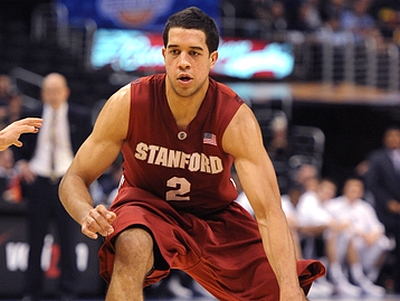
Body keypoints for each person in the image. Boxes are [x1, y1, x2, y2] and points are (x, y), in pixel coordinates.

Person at [59, 7, 325, 301]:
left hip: (215, 218)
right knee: (132, 244)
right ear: (163, 56)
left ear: (212, 59)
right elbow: (74, 177)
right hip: (148, 207)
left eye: (194, 53)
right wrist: (85, 212)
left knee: (284, 290)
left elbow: (269, 211)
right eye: (175, 51)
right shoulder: (129, 102)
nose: (183, 62)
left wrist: (288, 288)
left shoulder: (234, 118)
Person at [13, 73, 92, 301]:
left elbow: (92, 149)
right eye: (49, 90)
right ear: (43, 93)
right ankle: (31, 292)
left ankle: (68, 293)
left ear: (66, 92)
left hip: (69, 183)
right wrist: (21, 164)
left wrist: (84, 174)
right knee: (35, 241)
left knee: (69, 241)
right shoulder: (33, 115)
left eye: (57, 90)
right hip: (38, 182)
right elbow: (19, 145)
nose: (53, 95)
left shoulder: (81, 116)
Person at [324, 177, 389, 297]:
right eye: (351, 189)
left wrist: (372, 236)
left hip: (362, 247)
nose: (354, 192)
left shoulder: (365, 207)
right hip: (339, 246)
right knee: (348, 236)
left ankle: (368, 280)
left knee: (384, 242)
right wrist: (358, 233)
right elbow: (329, 224)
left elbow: (378, 227)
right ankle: (343, 279)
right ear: (345, 190)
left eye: (357, 190)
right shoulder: (334, 205)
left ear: (361, 192)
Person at [365, 125, 400, 293]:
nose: (394, 139)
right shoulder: (377, 157)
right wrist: (388, 202)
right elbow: (372, 184)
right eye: (390, 136)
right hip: (384, 213)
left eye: (397, 136)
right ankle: (378, 281)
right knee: (384, 246)